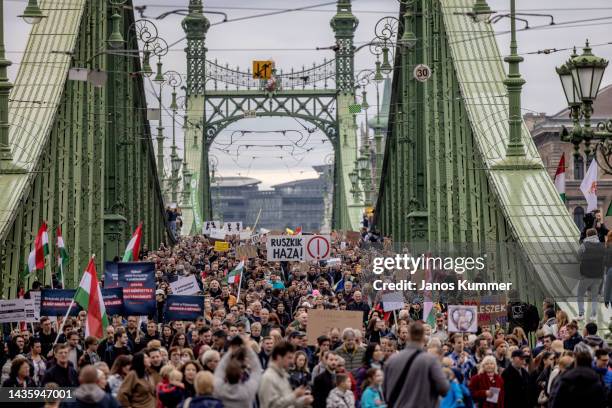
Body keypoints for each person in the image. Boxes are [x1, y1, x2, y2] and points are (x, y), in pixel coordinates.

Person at [383, 322, 449, 408]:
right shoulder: (430, 360)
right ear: (423, 338)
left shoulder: (391, 360)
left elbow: (385, 392)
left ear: (408, 336)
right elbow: (444, 389)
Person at [258, 341, 314, 408]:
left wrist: (302, 402)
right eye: (289, 358)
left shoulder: (283, 376)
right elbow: (271, 405)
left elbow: (287, 403)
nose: (292, 361)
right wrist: (294, 395)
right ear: (279, 357)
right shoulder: (268, 377)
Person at [213, 336, 262, 408]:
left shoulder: (220, 389)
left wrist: (231, 350)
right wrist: (247, 348)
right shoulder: (247, 390)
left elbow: (219, 370)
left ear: (226, 374)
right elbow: (256, 369)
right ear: (241, 375)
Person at [577, 228, 605, 320]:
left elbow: (579, 256)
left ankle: (581, 314)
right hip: (598, 275)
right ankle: (593, 315)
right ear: (596, 235)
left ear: (587, 235)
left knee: (580, 294)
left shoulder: (584, 245)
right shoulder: (602, 246)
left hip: (586, 275)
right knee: (595, 296)